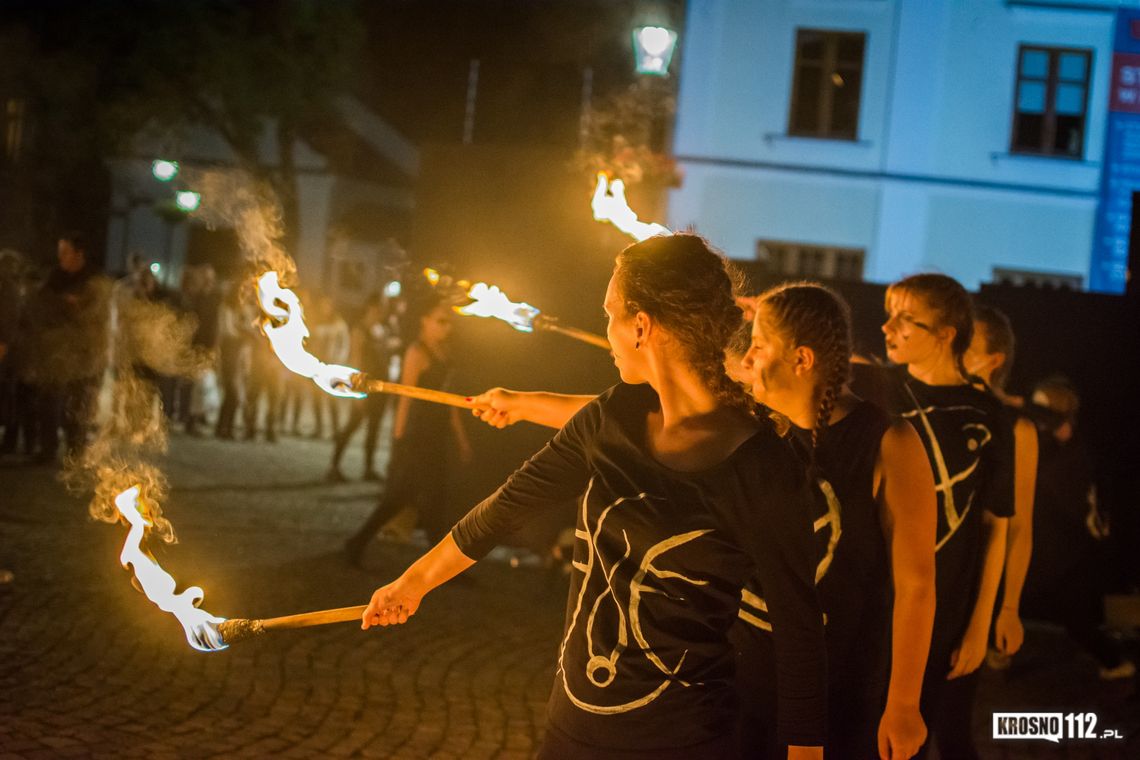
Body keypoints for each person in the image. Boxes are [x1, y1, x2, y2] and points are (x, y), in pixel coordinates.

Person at [361, 234, 826, 760]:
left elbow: (800, 630)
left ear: (641, 326)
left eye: (609, 314)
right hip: (573, 731)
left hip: (685, 741)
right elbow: (504, 509)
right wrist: (413, 583)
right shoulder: (612, 419)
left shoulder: (763, 465)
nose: (607, 332)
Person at [735, 282, 936, 760]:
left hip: (839, 689)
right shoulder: (748, 427)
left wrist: (904, 704)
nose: (746, 360)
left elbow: (917, 584)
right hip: (739, 684)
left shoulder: (887, 441)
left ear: (801, 360)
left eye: (758, 347)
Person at [851, 274, 1014, 760]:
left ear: (945, 333)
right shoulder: (878, 387)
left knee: (911, 738)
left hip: (943, 609)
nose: (887, 327)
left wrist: (979, 625)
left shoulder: (986, 416)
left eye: (905, 318)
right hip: (874, 599)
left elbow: (995, 524)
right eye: (888, 312)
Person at [1018, 376, 1134, 680]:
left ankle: (1114, 662)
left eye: (1042, 407)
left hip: (1065, 552)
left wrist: (1016, 403)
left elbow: (1068, 502)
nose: (1035, 413)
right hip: (1052, 548)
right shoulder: (1054, 444)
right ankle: (997, 650)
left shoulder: (1069, 452)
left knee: (1071, 615)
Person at [344, 295, 471, 557]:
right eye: (441, 321)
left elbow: (451, 400)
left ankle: (356, 544)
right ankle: (443, 564)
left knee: (405, 498)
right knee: (425, 499)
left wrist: (460, 438)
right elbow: (404, 398)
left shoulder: (444, 352)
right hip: (419, 436)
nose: (447, 327)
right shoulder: (417, 353)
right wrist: (399, 438)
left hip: (437, 433)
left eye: (449, 323)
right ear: (425, 321)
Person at [962, 305, 1039, 670]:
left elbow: (1019, 524)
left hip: (971, 583)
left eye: (967, 346)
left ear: (993, 360)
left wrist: (1008, 607)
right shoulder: (926, 409)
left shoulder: (1015, 429)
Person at [21, 233, 111, 463]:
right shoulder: (54, 278)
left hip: (83, 356)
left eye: (65, 252)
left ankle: (76, 450)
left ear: (79, 255)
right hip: (55, 354)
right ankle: (47, 449)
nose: (60, 257)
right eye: (59, 252)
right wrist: (65, 303)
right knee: (49, 403)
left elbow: (90, 316)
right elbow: (39, 306)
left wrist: (71, 305)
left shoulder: (95, 281)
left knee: (78, 405)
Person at [328, 294, 398, 480]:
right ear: (371, 307)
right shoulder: (359, 330)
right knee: (352, 425)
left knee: (374, 428)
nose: (382, 311)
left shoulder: (381, 329)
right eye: (379, 307)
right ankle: (334, 466)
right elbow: (355, 358)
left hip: (380, 386)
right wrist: (354, 389)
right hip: (363, 387)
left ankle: (368, 468)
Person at [309, 295, 351, 439]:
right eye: (322, 305)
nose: (324, 308)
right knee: (316, 400)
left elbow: (345, 345)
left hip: (332, 364)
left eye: (327, 305)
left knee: (332, 400)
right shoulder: (317, 322)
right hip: (318, 365)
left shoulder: (339, 325)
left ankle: (335, 430)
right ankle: (319, 427)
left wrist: (338, 361)